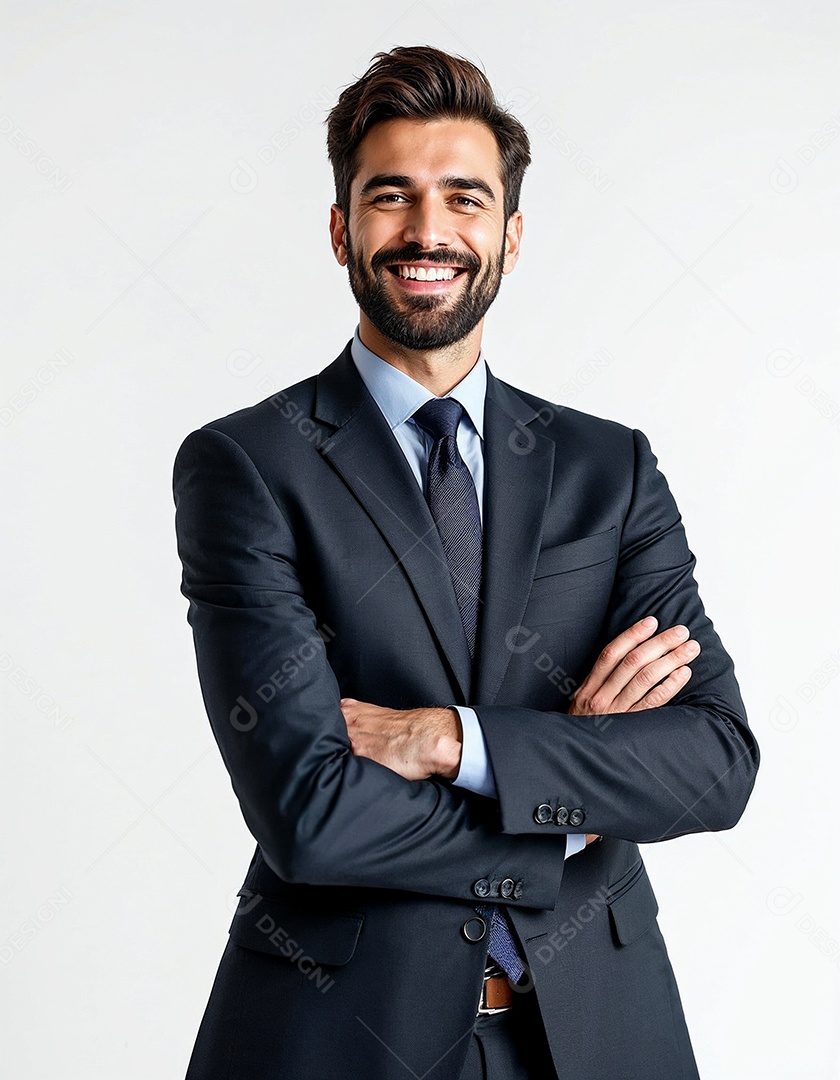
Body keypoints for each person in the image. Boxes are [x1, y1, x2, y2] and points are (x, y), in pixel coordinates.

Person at [172, 44, 759, 1080]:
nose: (427, 231)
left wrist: (454, 740)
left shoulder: (604, 468)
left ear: (511, 235)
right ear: (341, 229)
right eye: (390, 197)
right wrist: (567, 812)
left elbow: (711, 763)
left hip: (598, 1033)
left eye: (464, 199)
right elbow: (311, 814)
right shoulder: (248, 467)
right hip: (343, 1038)